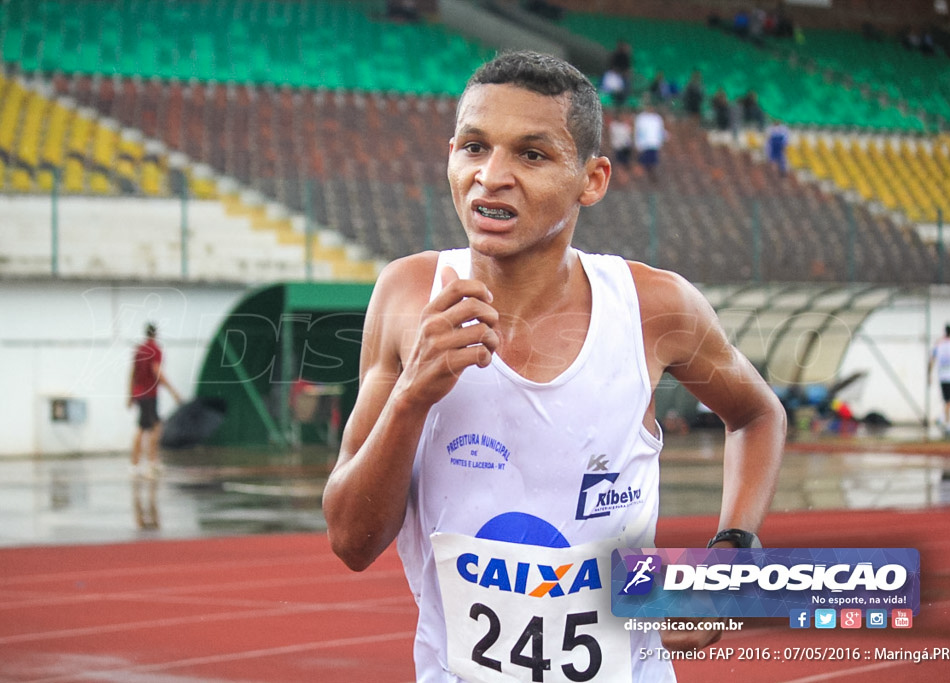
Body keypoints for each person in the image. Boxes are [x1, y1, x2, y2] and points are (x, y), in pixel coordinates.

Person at [322, 51, 785, 682]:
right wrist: (412, 394)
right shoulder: (408, 295)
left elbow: (757, 414)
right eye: (474, 147)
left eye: (531, 155)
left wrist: (732, 553)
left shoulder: (653, 306)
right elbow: (351, 541)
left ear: (591, 180)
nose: (492, 176)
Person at [128, 322, 181, 476]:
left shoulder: (139, 350)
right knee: (148, 428)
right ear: (156, 334)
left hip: (140, 393)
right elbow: (156, 370)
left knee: (152, 426)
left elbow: (132, 372)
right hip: (149, 394)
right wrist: (173, 390)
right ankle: (141, 463)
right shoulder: (155, 350)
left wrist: (131, 394)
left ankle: (149, 461)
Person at [633, 99, 667, 180]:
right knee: (642, 164)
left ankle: (651, 179)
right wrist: (638, 144)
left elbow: (660, 131)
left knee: (652, 164)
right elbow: (638, 131)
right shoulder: (641, 118)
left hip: (654, 144)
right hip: (644, 145)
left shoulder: (657, 118)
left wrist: (661, 142)